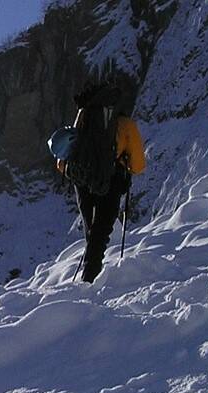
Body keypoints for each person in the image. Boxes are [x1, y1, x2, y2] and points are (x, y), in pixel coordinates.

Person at [59, 82, 146, 282]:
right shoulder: (125, 124)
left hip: (81, 178)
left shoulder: (82, 118)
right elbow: (138, 166)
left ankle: (89, 274)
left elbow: (63, 159)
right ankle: (90, 278)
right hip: (111, 178)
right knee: (102, 228)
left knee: (92, 229)